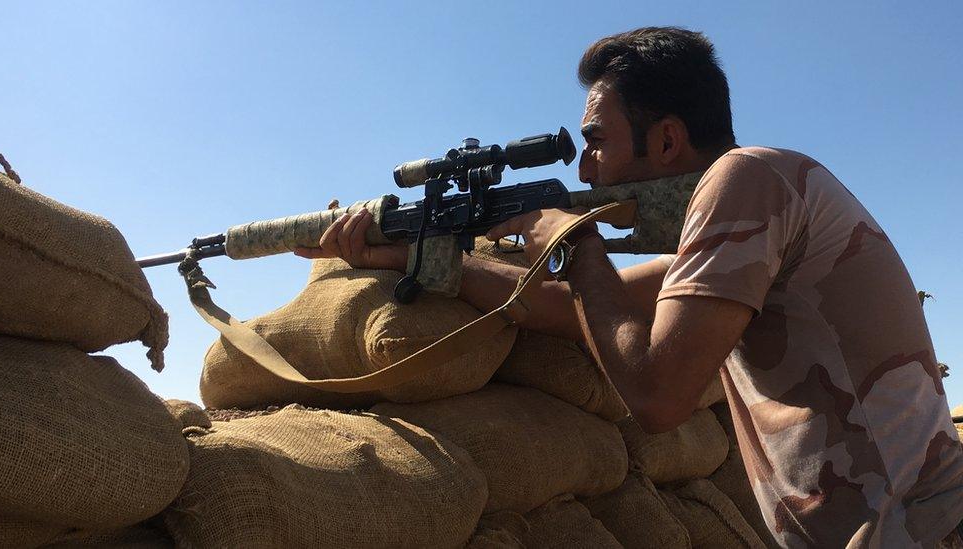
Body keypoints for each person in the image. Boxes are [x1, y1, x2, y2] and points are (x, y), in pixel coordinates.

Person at [296, 27, 963, 547]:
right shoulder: (748, 220)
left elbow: (659, 393)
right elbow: (563, 306)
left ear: (668, 139)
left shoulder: (745, 180)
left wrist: (576, 240)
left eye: (596, 141)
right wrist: (399, 256)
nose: (586, 168)